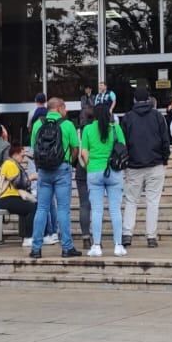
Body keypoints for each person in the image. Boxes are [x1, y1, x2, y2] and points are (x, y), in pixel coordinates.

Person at [28, 96, 80, 260]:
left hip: (44, 171)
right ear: (58, 108)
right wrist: (69, 162)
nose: (66, 111)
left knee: (42, 208)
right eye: (64, 108)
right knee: (63, 209)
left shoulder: (37, 124)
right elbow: (75, 148)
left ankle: (36, 249)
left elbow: (33, 147)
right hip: (62, 169)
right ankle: (67, 247)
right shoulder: (67, 125)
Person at [120, 84, 170, 248]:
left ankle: (127, 234)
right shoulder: (157, 116)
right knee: (153, 201)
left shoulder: (127, 118)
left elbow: (122, 143)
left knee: (131, 201)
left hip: (134, 166)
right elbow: (165, 141)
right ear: (149, 99)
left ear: (134, 99)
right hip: (155, 164)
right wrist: (165, 159)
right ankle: (151, 236)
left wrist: (126, 162)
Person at [80, 102, 126, 257]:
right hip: (114, 172)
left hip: (94, 171)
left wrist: (89, 166)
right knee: (115, 209)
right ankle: (118, 245)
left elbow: (84, 152)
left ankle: (97, 245)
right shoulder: (115, 128)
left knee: (97, 210)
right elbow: (123, 148)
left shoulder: (87, 129)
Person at [0, 146, 38, 246]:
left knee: (26, 209)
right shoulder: (10, 164)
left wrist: (27, 154)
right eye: (22, 155)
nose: (23, 158)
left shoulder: (12, 163)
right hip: (8, 198)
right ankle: (28, 237)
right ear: (15, 154)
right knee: (32, 207)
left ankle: (25, 236)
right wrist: (31, 178)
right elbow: (18, 183)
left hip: (10, 198)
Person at [74, 102, 94, 251]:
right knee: (97, 204)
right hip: (96, 168)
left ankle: (86, 237)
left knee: (84, 204)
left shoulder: (78, 132)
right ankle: (97, 237)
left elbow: (73, 151)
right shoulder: (97, 130)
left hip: (81, 169)